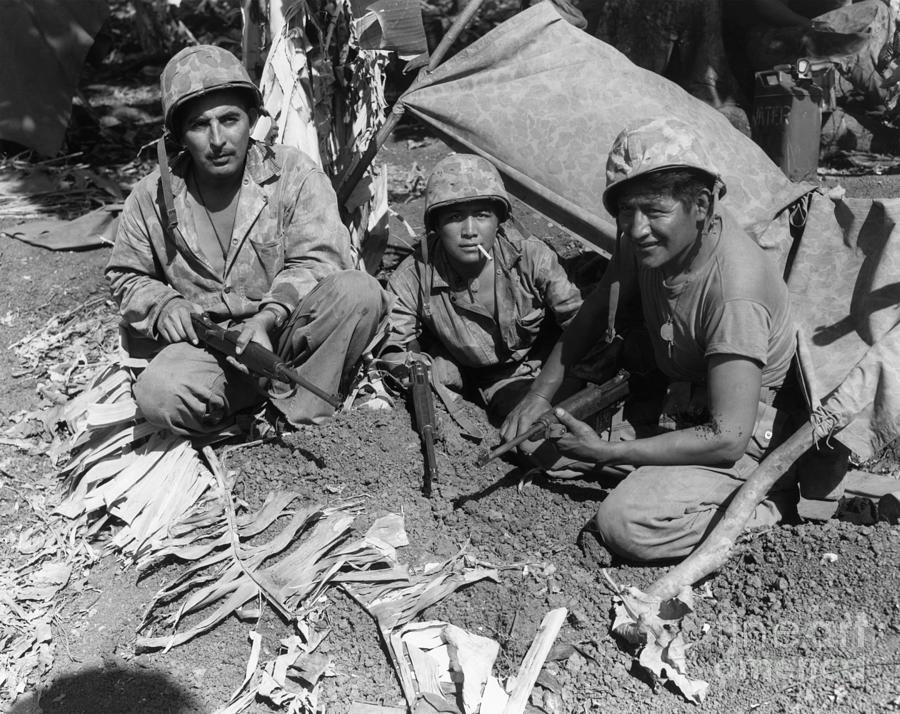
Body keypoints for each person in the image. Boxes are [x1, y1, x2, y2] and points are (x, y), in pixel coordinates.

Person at [502, 117, 819, 563]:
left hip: (744, 436)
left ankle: (771, 500)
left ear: (703, 205)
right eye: (625, 212)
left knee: (624, 525)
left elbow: (728, 437)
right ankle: (644, 467)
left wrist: (608, 450)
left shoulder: (734, 293)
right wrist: (539, 394)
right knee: (538, 442)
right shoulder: (647, 244)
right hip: (681, 404)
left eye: (654, 211)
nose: (636, 228)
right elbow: (594, 313)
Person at [106, 44, 390, 436]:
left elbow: (321, 261)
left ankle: (303, 418)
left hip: (288, 340)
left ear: (252, 119)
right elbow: (125, 275)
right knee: (159, 393)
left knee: (360, 291)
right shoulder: (151, 197)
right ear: (179, 136)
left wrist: (266, 317)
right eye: (200, 125)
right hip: (210, 351)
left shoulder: (293, 174)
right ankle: (244, 410)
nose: (218, 138)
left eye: (230, 119)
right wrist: (163, 305)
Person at [379, 153, 583, 422]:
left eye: (482, 215)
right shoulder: (413, 277)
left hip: (555, 362)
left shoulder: (531, 257)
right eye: (455, 217)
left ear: (500, 221)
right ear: (436, 226)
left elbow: (578, 320)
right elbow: (393, 345)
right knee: (535, 435)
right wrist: (418, 369)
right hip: (497, 382)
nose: (470, 230)